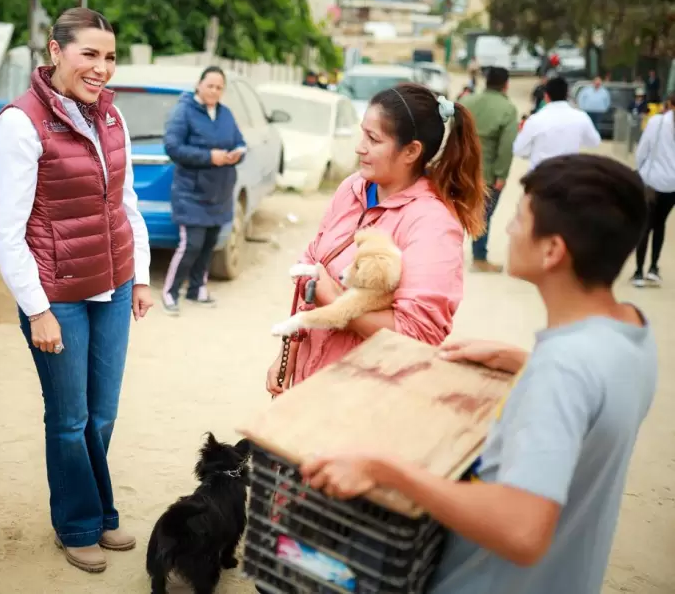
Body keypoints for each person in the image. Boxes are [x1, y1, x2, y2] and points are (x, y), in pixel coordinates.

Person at [301, 153, 655, 594]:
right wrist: (524, 362)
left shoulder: (563, 369)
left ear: (552, 251)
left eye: (519, 220)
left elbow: (522, 532)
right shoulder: (630, 332)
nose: (506, 229)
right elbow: (593, 398)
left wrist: (385, 469)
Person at [0, 7, 154, 574]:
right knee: (68, 418)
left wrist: (144, 276)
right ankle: (80, 523)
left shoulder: (112, 118)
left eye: (109, 57)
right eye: (90, 54)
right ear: (55, 51)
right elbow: (7, 232)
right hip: (56, 293)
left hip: (113, 283)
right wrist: (37, 310)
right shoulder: (21, 122)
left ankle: (98, 508)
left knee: (102, 415)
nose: (101, 67)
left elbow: (126, 202)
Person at [265, 83, 487, 393]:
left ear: (411, 151)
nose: (360, 147)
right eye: (362, 134)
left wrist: (338, 303)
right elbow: (312, 265)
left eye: (373, 139)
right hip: (311, 385)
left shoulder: (431, 223)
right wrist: (289, 354)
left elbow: (418, 334)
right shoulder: (353, 188)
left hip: (366, 396)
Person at [161, 65, 246, 315]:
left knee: (210, 244)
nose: (214, 91)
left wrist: (236, 154)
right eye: (210, 85)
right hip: (192, 192)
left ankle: (197, 289)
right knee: (191, 245)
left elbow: (240, 142)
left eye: (219, 87)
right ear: (199, 85)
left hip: (219, 192)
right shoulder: (184, 111)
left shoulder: (226, 114)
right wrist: (210, 157)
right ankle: (170, 292)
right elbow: (172, 147)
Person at [461, 67, 519, 272]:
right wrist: (501, 174)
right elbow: (506, 145)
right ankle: (479, 259)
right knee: (483, 215)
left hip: (462, 169)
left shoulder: (467, 103)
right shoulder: (507, 109)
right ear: (506, 84)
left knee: (458, 212)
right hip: (487, 174)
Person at [631, 93, 675, 287]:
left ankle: (639, 272)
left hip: (652, 181)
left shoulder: (657, 122)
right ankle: (654, 268)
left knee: (645, 225)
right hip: (672, 184)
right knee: (660, 224)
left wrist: (639, 169)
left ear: (669, 104)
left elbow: (643, 149)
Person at [512, 76, 601, 170]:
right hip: (568, 173)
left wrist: (533, 152)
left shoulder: (535, 120)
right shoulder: (581, 117)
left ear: (546, 96)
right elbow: (594, 142)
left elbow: (518, 150)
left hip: (541, 174)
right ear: (567, 95)